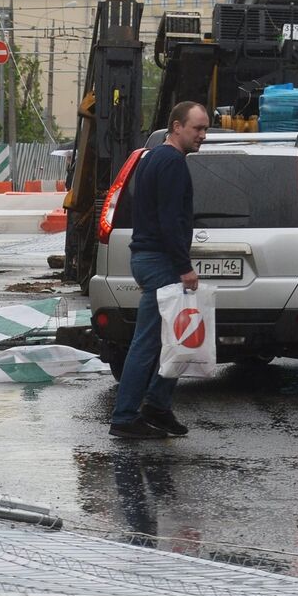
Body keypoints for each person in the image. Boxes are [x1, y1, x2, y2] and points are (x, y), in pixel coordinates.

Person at [109, 99, 209, 440]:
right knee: (149, 342)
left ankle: (158, 406)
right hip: (160, 263)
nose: (202, 135)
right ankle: (124, 417)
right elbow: (169, 219)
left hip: (149, 258)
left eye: (205, 128)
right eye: (197, 128)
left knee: (175, 338)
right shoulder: (172, 163)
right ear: (177, 126)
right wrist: (184, 267)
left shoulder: (152, 159)